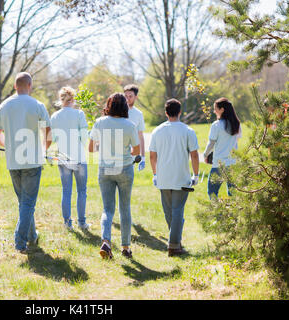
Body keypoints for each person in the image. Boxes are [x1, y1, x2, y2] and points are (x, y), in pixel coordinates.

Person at [0, 72, 51, 254]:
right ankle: (20, 241)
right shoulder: (37, 105)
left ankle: (32, 236)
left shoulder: (5, 105)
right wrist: (44, 150)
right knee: (28, 203)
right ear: (30, 86)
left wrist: (6, 145)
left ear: (16, 86)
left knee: (24, 202)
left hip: (13, 160)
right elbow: (49, 132)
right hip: (32, 160)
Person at [89, 93, 140, 259]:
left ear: (108, 106)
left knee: (107, 209)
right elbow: (137, 150)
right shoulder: (130, 125)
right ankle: (125, 247)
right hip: (124, 168)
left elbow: (91, 148)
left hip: (105, 169)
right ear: (125, 107)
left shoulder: (100, 122)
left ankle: (106, 241)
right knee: (124, 208)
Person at [149, 99, 199, 257]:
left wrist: (155, 174)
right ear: (180, 112)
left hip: (163, 178)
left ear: (165, 112)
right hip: (181, 177)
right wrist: (196, 174)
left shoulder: (157, 131)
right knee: (177, 211)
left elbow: (152, 156)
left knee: (169, 212)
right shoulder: (188, 131)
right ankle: (174, 245)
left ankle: (174, 241)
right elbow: (195, 155)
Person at [50, 86, 90, 231]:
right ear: (72, 99)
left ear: (61, 100)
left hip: (63, 158)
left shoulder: (54, 117)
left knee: (66, 191)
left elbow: (52, 138)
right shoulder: (79, 114)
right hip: (79, 157)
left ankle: (67, 223)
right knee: (82, 191)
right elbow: (85, 137)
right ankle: (82, 222)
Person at [203, 97, 242, 199]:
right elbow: (236, 141)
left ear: (222, 110)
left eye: (215, 108)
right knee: (234, 194)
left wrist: (205, 154)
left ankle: (218, 213)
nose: (214, 111)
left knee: (212, 192)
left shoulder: (216, 125)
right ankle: (233, 214)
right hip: (233, 164)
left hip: (219, 165)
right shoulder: (237, 124)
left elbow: (211, 143)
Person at [123, 84, 146, 171]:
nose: (127, 98)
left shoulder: (138, 114)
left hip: (131, 156)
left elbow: (140, 136)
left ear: (136, 97)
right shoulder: (117, 110)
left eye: (130, 96)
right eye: (125, 96)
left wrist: (143, 157)